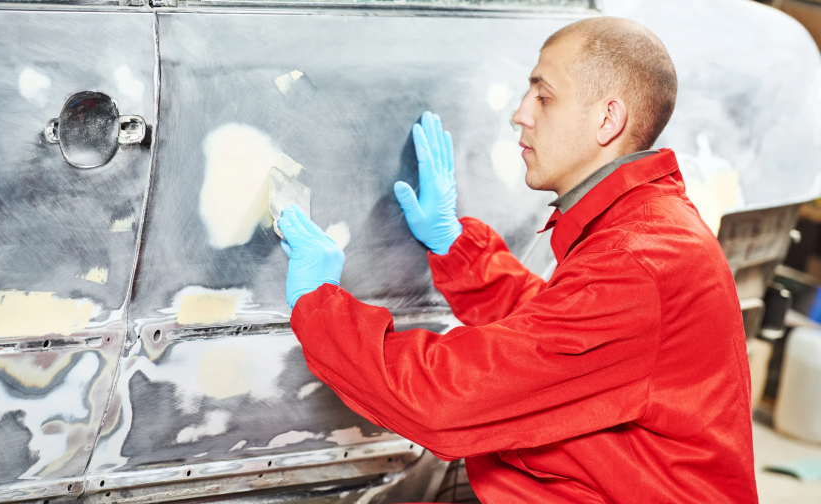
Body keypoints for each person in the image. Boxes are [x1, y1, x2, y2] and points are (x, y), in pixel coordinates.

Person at [276, 16, 758, 504]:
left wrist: (321, 308)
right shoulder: (641, 223)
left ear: (607, 120)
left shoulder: (641, 260)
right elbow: (553, 338)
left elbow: (447, 400)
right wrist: (456, 248)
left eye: (544, 97)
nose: (520, 113)